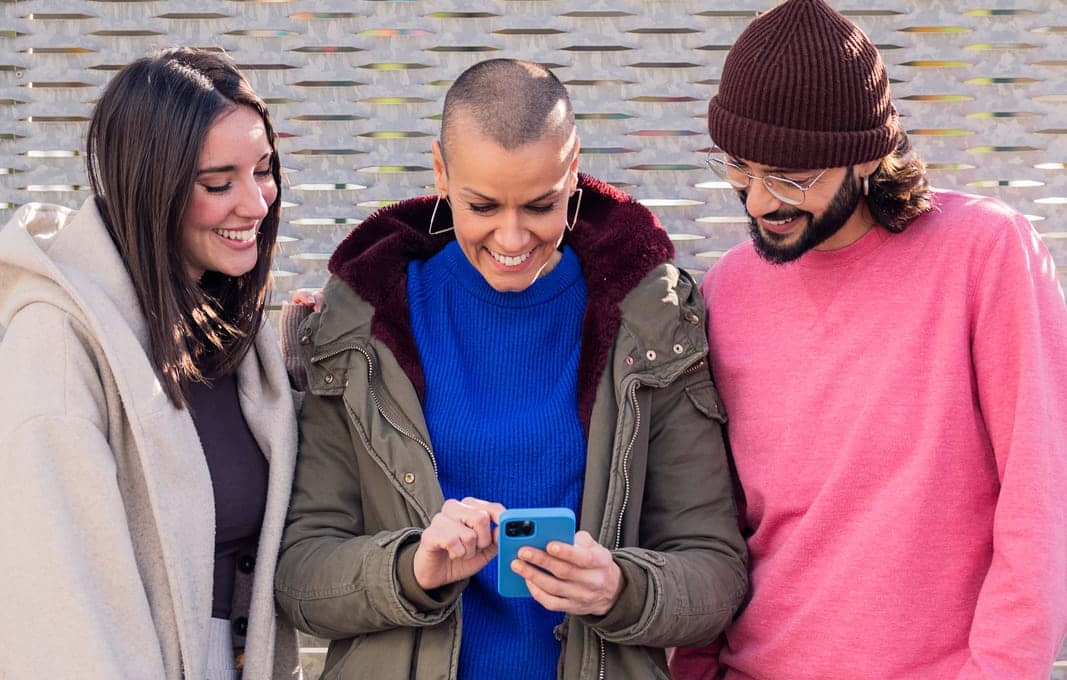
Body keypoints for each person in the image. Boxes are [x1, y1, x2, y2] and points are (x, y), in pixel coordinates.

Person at [275, 57, 747, 680]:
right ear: (440, 171)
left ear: (573, 168)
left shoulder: (652, 325)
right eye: (483, 205)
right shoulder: (360, 324)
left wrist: (619, 589)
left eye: (541, 205)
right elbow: (301, 576)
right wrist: (412, 570)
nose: (513, 236)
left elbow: (715, 571)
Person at [671, 0, 1067, 680]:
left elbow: (1041, 498)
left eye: (790, 176)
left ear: (864, 157)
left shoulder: (983, 254)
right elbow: (718, 525)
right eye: (739, 168)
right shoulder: (724, 292)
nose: (760, 200)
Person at [0, 47, 302, 680]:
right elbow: (63, 613)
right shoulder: (55, 345)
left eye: (264, 170)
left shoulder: (230, 333)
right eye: (218, 184)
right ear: (150, 185)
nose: (256, 203)